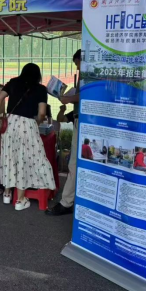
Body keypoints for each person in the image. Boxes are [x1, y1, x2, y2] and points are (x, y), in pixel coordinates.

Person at [0, 63, 55, 211]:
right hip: (27, 124)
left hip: (9, 123)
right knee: (24, 159)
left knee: (9, 157)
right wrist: (37, 122)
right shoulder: (41, 89)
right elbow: (42, 113)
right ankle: (20, 199)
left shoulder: (13, 82)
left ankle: (7, 194)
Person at [46, 49, 82, 216]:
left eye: (77, 63)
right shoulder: (88, 76)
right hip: (81, 119)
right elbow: (61, 118)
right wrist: (66, 104)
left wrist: (69, 98)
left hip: (84, 123)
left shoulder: (89, 76)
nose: (78, 68)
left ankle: (67, 202)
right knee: (75, 165)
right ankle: (71, 200)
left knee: (74, 165)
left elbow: (86, 95)